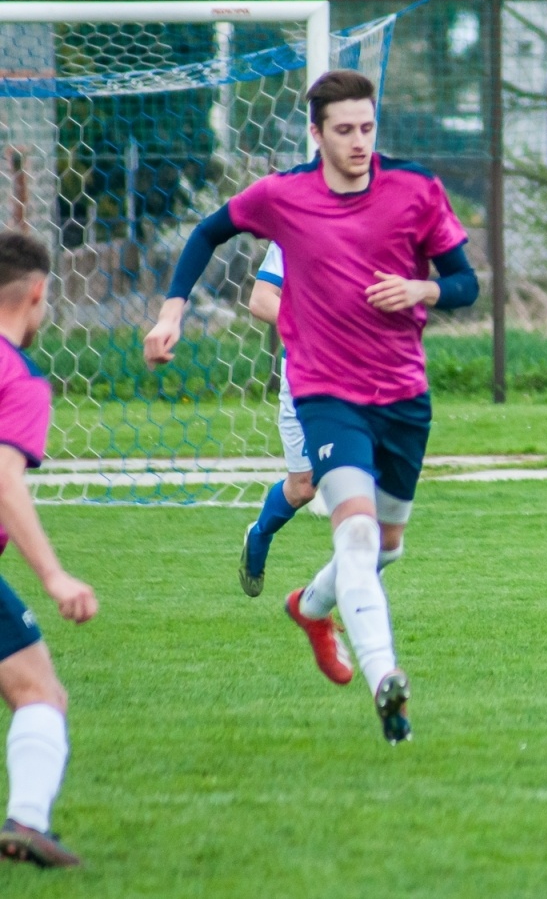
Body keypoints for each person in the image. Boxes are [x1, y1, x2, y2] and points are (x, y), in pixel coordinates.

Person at [142, 70, 479, 744]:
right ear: (318, 133)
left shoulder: (415, 190)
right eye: (345, 130)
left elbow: (466, 283)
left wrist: (422, 290)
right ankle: (387, 682)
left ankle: (311, 606)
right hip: (325, 392)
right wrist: (171, 309)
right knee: (351, 531)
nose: (359, 142)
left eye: (367, 128)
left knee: (386, 547)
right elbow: (208, 234)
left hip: (404, 397)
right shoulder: (284, 197)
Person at [0, 232, 97, 868]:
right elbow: (3, 478)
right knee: (40, 692)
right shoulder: (20, 379)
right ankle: (27, 821)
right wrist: (55, 575)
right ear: (38, 292)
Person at [237, 242, 319, 597]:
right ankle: (259, 534)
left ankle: (348, 596)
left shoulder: (375, 218)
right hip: (305, 372)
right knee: (304, 487)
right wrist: (317, 322)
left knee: (362, 482)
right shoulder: (295, 223)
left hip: (360, 373)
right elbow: (261, 298)